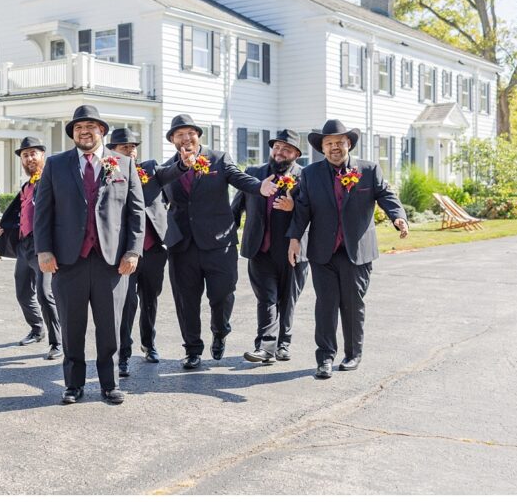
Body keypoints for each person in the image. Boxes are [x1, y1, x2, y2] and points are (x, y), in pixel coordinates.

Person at [34, 105, 145, 405]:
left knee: (110, 327)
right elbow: (42, 211)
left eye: (91, 126)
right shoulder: (56, 165)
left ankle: (110, 384)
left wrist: (133, 251)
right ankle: (73, 384)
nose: (85, 131)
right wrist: (44, 250)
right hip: (69, 260)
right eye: (79, 127)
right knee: (72, 326)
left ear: (102, 131)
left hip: (112, 261)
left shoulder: (123, 163)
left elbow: (136, 213)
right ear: (73, 133)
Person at [152, 114, 277, 370]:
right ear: (173, 140)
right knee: (186, 301)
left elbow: (239, 178)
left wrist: (259, 188)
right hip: (182, 246)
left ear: (198, 135)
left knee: (222, 295)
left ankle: (220, 330)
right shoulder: (166, 168)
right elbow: (154, 201)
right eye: (180, 135)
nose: (186, 138)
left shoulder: (218, 159)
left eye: (190, 133)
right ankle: (192, 350)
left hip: (219, 243)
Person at [286, 119, 408, 379]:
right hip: (323, 252)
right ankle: (325, 358)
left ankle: (353, 354)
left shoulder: (369, 170)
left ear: (348, 144)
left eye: (339, 142)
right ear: (322, 147)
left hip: (357, 252)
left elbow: (386, 195)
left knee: (353, 305)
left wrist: (398, 217)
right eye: (329, 143)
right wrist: (295, 239)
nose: (334, 147)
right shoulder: (310, 174)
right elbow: (303, 209)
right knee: (326, 305)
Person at [230, 129, 309, 364]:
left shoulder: (305, 177)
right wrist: (225, 234)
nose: (279, 152)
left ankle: (283, 343)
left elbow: (313, 212)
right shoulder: (253, 174)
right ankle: (265, 346)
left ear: (296, 154)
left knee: (287, 298)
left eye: (286, 149)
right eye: (276, 147)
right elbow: (237, 206)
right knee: (266, 298)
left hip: (292, 249)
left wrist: (292, 207)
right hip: (259, 248)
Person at [106, 128, 170, 376]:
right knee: (127, 304)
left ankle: (149, 343)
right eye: (125, 148)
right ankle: (123, 354)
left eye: (134, 147)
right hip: (125, 252)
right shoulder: (108, 173)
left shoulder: (150, 169)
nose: (131, 152)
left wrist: (187, 163)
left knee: (150, 301)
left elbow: (173, 172)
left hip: (153, 250)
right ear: (113, 150)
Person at [0, 136, 62, 360]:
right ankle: (37, 329)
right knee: (23, 292)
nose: (29, 157)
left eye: (34, 153)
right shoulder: (27, 185)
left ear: (43, 155)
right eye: (25, 155)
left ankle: (58, 341)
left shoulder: (52, 179)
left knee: (45, 294)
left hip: (43, 245)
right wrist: (6, 228)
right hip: (24, 245)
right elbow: (22, 214)